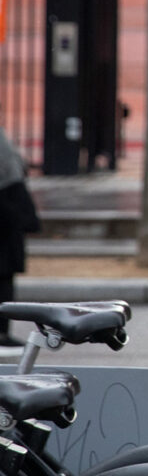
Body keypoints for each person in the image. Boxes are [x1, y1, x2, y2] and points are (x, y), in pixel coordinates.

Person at [0, 127, 41, 345]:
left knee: (5, 275)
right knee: (4, 275)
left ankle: (2, 330)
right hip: (6, 208)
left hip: (8, 208)